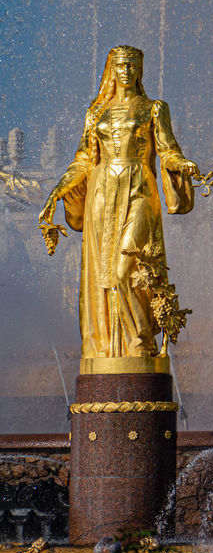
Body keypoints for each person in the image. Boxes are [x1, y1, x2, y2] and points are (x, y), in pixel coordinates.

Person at [39, 46, 200, 360]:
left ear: (140, 70)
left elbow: (167, 149)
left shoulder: (154, 108)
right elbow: (84, 160)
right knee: (105, 273)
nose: (126, 72)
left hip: (140, 189)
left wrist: (182, 165)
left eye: (133, 66)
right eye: (121, 66)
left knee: (126, 267)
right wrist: (57, 191)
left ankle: (141, 337)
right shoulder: (96, 112)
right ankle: (117, 347)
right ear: (111, 70)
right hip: (102, 195)